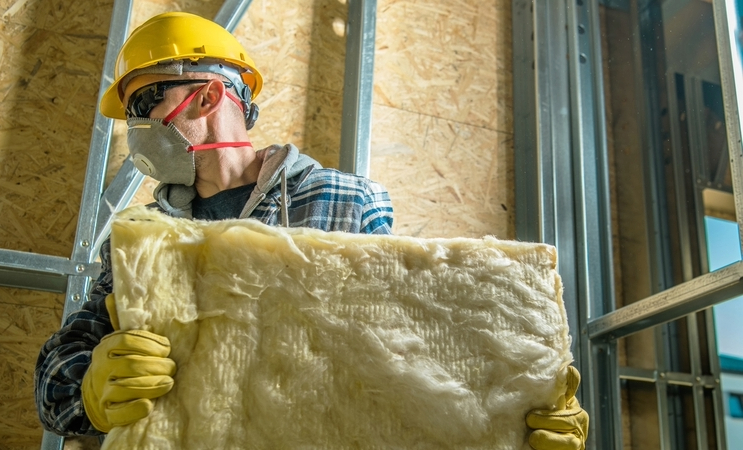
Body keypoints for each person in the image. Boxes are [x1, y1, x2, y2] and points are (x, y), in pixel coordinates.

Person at [34, 12, 588, 450]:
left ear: (206, 96)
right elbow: (57, 372)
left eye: (142, 104)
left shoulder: (343, 202)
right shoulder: (141, 238)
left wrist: (520, 406)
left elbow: (409, 341)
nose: (136, 131)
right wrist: (87, 388)